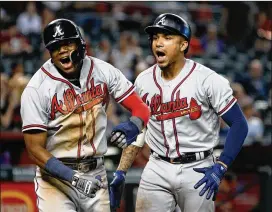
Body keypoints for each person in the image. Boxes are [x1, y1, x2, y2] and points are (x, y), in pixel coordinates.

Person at [20, 19, 150, 212]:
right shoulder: (37, 88)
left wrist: (134, 124)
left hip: (95, 171)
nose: (62, 50)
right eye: (55, 47)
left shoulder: (103, 71)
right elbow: (34, 149)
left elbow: (141, 108)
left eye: (67, 44)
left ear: (81, 44)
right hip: (55, 178)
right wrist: (72, 177)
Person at [134, 13, 248, 212]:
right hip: (157, 166)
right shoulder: (143, 81)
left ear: (183, 45)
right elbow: (139, 123)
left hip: (197, 168)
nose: (158, 43)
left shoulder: (208, 80)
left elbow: (239, 124)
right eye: (155, 37)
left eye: (167, 38)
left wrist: (222, 164)